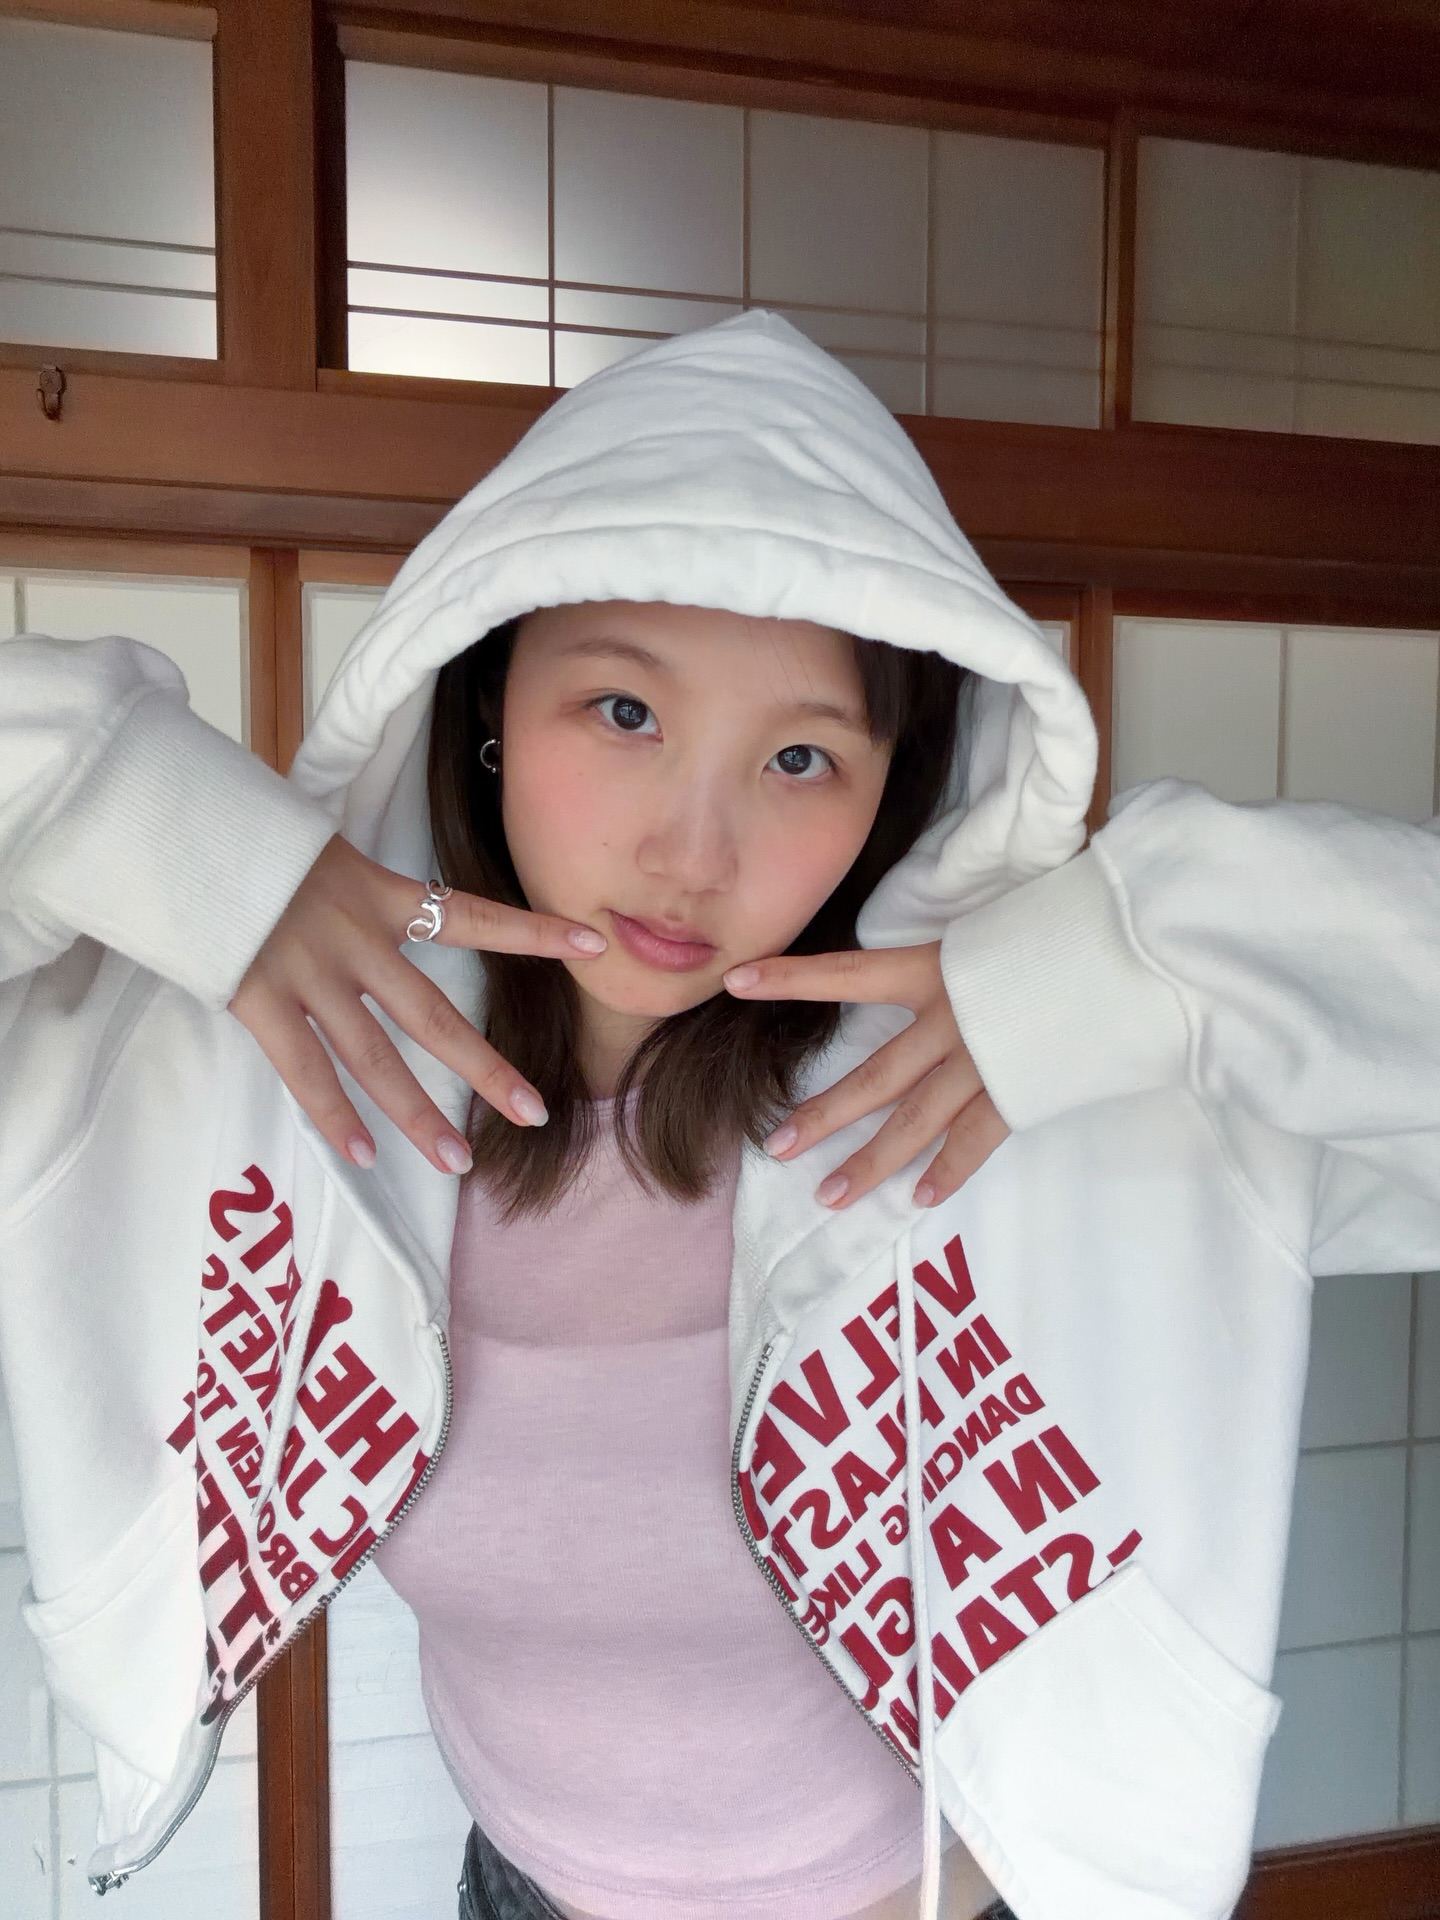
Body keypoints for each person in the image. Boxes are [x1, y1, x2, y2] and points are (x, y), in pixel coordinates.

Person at [1, 311, 1437, 1920]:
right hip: (520, 1890)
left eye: (802, 757)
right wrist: (132, 806)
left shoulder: (1063, 1093)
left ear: (889, 792)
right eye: (625, 713)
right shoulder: (256, 1059)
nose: (693, 853)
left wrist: (1144, 955)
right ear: (488, 696)